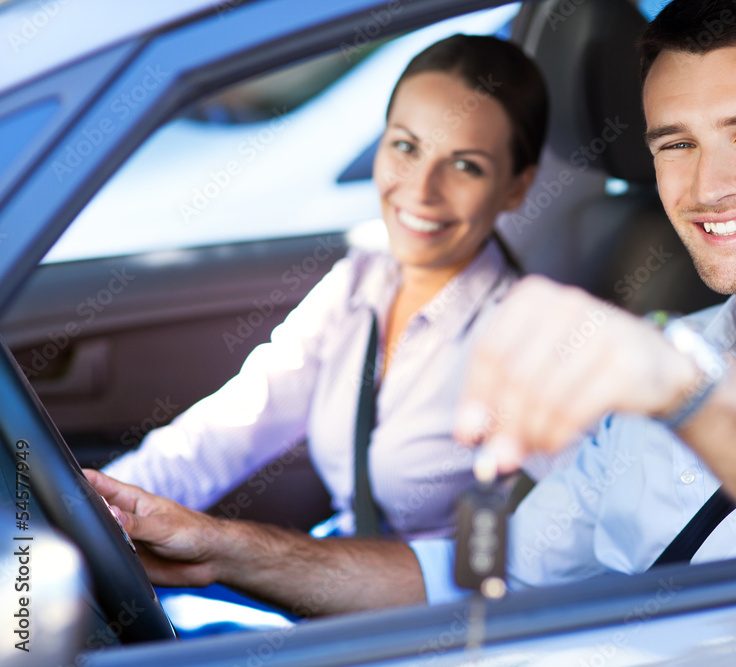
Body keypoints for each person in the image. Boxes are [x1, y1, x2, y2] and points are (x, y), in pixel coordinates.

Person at [87, 0, 736, 618]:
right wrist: (226, 551)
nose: (710, 185)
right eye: (675, 143)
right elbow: (491, 571)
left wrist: (669, 381)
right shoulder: (683, 344)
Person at [101, 34, 571, 544]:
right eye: (407, 147)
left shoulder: (524, 342)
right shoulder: (362, 278)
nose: (420, 189)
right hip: (333, 573)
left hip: (435, 612)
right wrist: (106, 503)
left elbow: (568, 542)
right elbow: (234, 426)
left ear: (516, 186)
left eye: (464, 166)